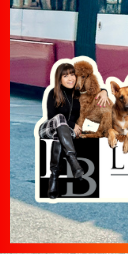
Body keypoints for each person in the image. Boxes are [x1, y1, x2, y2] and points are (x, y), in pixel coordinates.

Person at [40, 62, 108, 199]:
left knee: (58, 139)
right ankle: (74, 162)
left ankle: (53, 179)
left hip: (64, 134)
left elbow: (95, 88)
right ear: (59, 79)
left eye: (72, 75)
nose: (70, 78)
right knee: (59, 118)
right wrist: (72, 124)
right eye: (65, 76)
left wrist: (104, 91)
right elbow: (52, 118)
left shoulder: (78, 95)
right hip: (49, 128)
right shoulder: (53, 93)